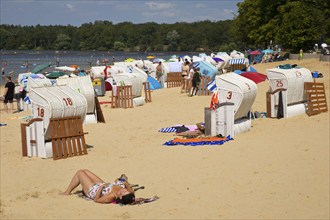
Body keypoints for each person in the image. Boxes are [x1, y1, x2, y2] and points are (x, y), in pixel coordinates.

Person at [59, 169, 136, 205]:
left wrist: (102, 187)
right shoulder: (128, 192)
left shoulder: (112, 195)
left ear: (121, 197)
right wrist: (125, 183)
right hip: (102, 185)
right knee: (85, 170)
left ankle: (67, 192)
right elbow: (131, 192)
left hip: (93, 190)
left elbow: (96, 200)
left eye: (125, 192)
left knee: (80, 172)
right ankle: (83, 186)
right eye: (127, 191)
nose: (125, 190)